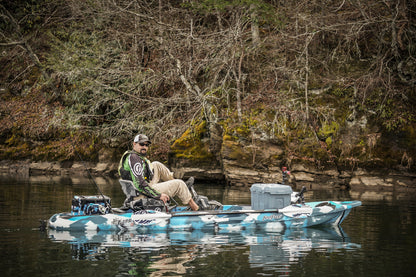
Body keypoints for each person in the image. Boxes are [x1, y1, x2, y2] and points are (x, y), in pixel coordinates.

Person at [118, 134, 199, 211]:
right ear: (134, 144)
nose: (144, 147)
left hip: (139, 189)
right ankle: (195, 208)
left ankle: (180, 186)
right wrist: (158, 195)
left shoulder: (133, 156)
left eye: (146, 145)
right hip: (141, 193)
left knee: (156, 164)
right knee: (179, 183)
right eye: (141, 144)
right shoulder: (134, 159)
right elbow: (140, 184)